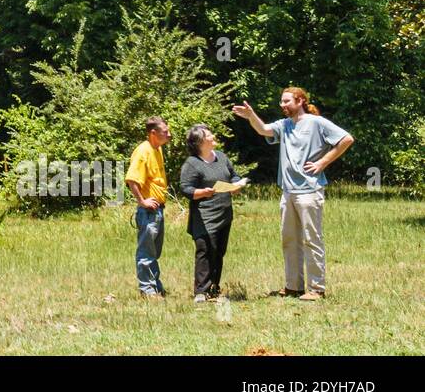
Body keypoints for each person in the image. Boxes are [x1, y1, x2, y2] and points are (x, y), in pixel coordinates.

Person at [232, 87, 354, 300]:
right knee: (289, 240)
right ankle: (293, 286)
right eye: (281, 101)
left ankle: (317, 289)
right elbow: (264, 130)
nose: (283, 105)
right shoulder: (285, 125)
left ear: (300, 101)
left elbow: (346, 139)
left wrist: (323, 162)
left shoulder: (317, 123)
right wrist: (251, 116)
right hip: (288, 192)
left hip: (309, 191)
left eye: (287, 101)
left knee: (311, 239)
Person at [179, 124, 244, 302]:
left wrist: (237, 185)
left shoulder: (221, 157)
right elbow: (185, 189)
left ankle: (214, 288)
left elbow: (234, 175)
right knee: (205, 251)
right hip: (204, 216)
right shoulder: (192, 164)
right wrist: (202, 193)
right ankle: (201, 291)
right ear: (200, 142)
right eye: (209, 135)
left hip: (224, 214)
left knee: (219, 251)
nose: (213, 136)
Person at [125, 117, 171, 297]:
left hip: (158, 209)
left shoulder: (157, 149)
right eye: (165, 131)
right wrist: (142, 201)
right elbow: (132, 179)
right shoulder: (142, 152)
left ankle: (155, 286)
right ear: (153, 133)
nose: (169, 134)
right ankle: (147, 290)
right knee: (146, 251)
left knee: (154, 251)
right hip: (148, 211)